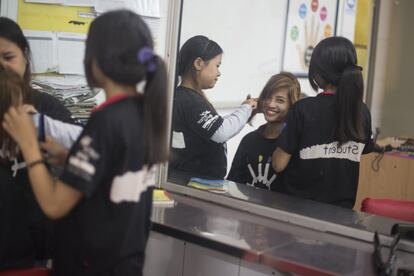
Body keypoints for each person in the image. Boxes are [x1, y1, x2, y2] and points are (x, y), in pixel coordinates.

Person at [2, 10, 168, 275]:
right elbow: (111, 174)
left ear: (96, 60)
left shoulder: (105, 121)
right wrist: (68, 157)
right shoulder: (141, 113)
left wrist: (29, 145)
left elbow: (54, 205)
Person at [0, 17, 74, 268]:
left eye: (8, 57)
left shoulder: (49, 110)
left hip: (39, 249)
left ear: (25, 58)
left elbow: (81, 161)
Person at [272, 36, 374, 209]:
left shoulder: (302, 109)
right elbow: (364, 151)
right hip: (341, 215)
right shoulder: (362, 111)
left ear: (318, 73)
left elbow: (278, 164)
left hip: (297, 211)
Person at [170, 35, 257, 180]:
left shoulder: (185, 97)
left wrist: (246, 112)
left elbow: (216, 125)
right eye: (217, 65)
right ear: (198, 63)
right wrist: (246, 108)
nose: (219, 73)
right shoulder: (189, 101)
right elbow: (221, 131)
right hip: (194, 185)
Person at [227, 72, 301, 190]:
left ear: (292, 106)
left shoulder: (294, 146)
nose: (271, 104)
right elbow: (232, 184)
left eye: (280, 100)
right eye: (267, 97)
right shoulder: (249, 140)